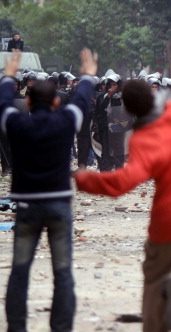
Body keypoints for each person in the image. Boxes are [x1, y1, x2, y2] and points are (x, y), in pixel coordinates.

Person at [74, 28, 171, 332]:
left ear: (129, 110)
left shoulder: (142, 142)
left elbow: (122, 183)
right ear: (156, 94)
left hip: (167, 218)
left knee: (153, 280)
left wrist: (84, 180)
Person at [2, 49, 97, 332]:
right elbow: (81, 100)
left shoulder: (16, 123)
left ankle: (17, 327)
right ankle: (61, 328)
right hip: (59, 206)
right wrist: (88, 74)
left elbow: (3, 103)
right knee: (63, 273)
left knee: (20, 271)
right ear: (57, 102)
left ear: (28, 101)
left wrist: (8, 77)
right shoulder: (66, 121)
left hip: (27, 208)